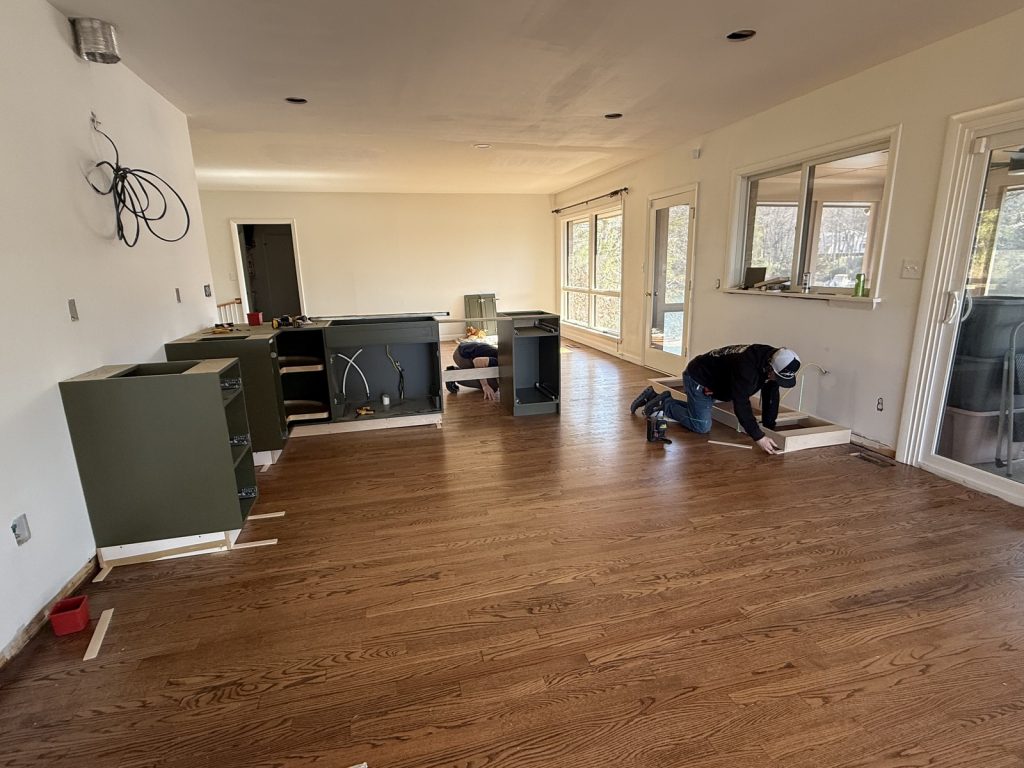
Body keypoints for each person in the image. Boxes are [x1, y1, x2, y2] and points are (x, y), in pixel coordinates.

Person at [630, 344, 801, 454]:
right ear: (770, 367)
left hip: (715, 383)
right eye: (776, 377)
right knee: (701, 426)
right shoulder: (747, 367)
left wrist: (769, 427)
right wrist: (759, 437)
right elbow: (741, 403)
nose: (776, 381)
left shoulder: (772, 361)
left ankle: (655, 397)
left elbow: (771, 394)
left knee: (698, 414)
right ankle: (664, 404)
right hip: (698, 377)